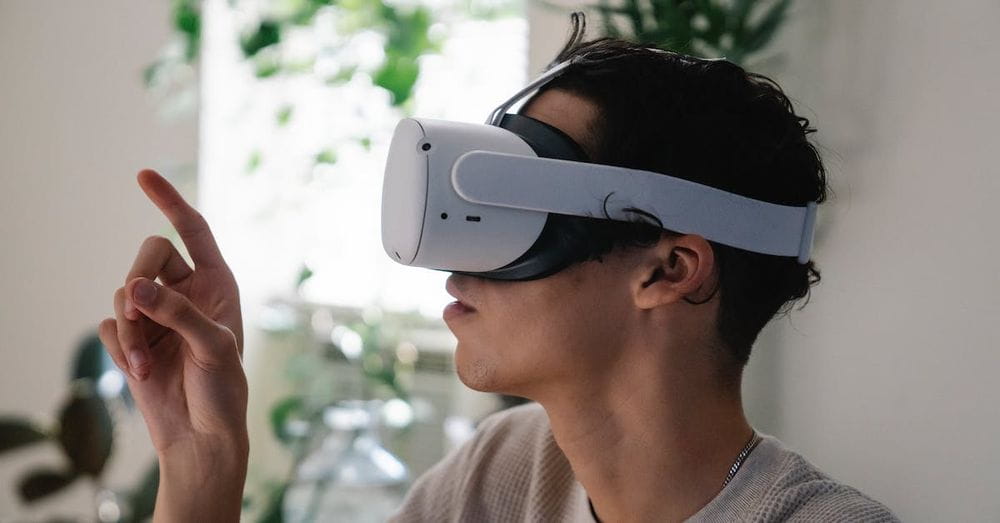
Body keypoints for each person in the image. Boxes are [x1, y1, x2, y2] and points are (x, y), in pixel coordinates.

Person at [99, 17, 898, 523]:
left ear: (671, 268)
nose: (458, 262)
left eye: (519, 214)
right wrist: (201, 463)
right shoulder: (503, 473)